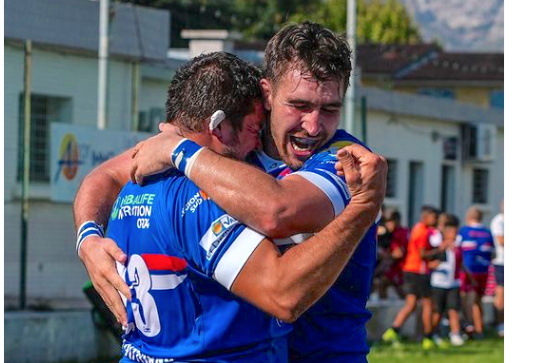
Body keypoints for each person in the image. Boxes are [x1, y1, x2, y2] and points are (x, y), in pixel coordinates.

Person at [75, 22, 383, 362]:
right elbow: (105, 175)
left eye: (329, 109)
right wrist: (88, 238)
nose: (313, 126)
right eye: (299, 105)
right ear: (267, 94)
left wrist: (180, 151)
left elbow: (277, 211)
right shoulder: (234, 144)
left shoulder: (344, 160)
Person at [381, 205, 440, 350]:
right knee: (428, 304)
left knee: (411, 304)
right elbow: (421, 254)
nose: (436, 219)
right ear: (426, 216)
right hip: (418, 271)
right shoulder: (421, 231)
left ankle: (393, 330)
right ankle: (428, 337)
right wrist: (440, 250)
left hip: (409, 270)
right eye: (434, 216)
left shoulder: (417, 229)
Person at [457, 206, 495, 339]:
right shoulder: (488, 232)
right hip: (483, 271)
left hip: (468, 270)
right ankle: (480, 329)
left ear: (468, 217)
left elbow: (457, 251)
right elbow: (493, 253)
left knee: (467, 300)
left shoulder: (464, 231)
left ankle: (471, 328)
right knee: (478, 300)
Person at [428, 214, 465, 347]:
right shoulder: (437, 245)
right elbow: (428, 262)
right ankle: (432, 333)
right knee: (437, 311)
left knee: (453, 309)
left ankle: (455, 334)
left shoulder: (458, 247)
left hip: (453, 283)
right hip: (439, 283)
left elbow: (461, 264)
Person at [374, 209, 408, 299]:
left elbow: (398, 253)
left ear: (397, 221)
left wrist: (385, 255)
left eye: (390, 222)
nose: (388, 225)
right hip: (396, 267)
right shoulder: (399, 232)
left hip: (400, 267)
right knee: (384, 285)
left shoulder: (399, 234)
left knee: (383, 283)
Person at [490, 200, 504, 337]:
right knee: (501, 293)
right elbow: (501, 240)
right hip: (502, 262)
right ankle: (500, 324)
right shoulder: (498, 221)